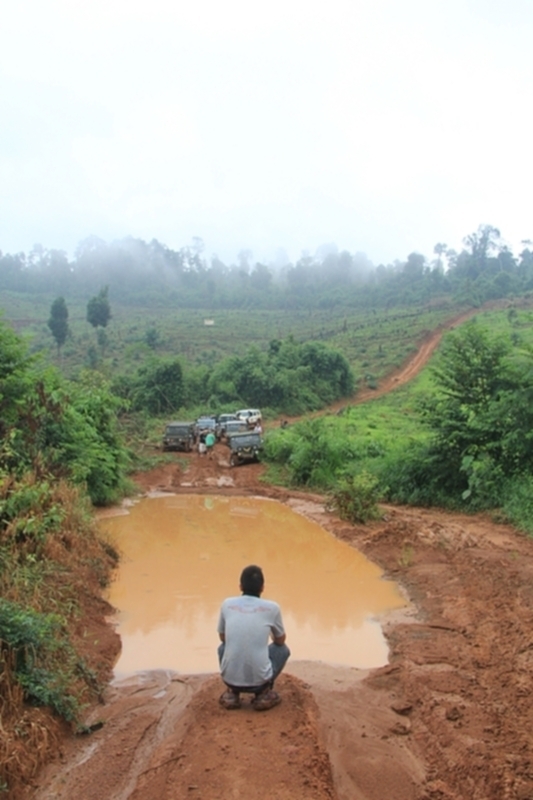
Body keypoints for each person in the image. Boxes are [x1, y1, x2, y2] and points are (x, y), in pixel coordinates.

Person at [217, 564, 290, 711]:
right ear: (262, 587)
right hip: (259, 681)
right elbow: (280, 641)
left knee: (222, 648)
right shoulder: (272, 607)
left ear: (240, 586)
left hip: (230, 680)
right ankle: (263, 693)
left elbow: (223, 637)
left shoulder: (227, 604)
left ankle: (232, 693)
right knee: (283, 650)